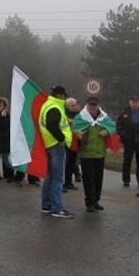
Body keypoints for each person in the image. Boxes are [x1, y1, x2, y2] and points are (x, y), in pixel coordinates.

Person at [72, 96, 116, 212]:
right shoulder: (81, 118)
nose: (92, 107)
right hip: (86, 153)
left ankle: (96, 200)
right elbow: (74, 129)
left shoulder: (104, 118)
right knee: (88, 178)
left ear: (98, 106)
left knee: (98, 178)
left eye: (94, 105)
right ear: (87, 105)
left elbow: (112, 127)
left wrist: (106, 132)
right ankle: (89, 202)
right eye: (90, 105)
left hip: (100, 153)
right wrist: (80, 134)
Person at [39, 86, 74, 219]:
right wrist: (61, 139)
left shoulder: (47, 105)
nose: (65, 99)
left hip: (49, 144)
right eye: (64, 96)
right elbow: (52, 125)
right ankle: (57, 208)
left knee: (50, 176)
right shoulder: (55, 107)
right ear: (60, 96)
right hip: (56, 145)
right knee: (58, 178)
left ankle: (46, 205)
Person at [117, 96, 139, 188]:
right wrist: (123, 135)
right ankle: (126, 180)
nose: (135, 104)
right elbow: (119, 126)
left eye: (136, 102)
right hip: (129, 141)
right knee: (127, 160)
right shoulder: (124, 114)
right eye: (133, 102)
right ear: (130, 103)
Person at [63, 98, 80, 191]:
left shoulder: (78, 115)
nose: (74, 107)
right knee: (65, 163)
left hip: (75, 142)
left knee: (72, 164)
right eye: (72, 105)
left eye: (75, 105)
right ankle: (63, 182)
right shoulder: (63, 114)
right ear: (67, 106)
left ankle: (69, 182)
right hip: (66, 142)